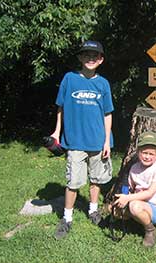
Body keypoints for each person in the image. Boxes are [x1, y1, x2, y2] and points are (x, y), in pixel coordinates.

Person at [51, 40, 114, 239]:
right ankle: (67, 218)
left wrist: (106, 141)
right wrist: (56, 132)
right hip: (75, 141)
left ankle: (93, 211)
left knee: (96, 180)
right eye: (86, 55)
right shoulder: (69, 79)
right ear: (80, 58)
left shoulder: (103, 83)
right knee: (74, 182)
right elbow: (60, 108)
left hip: (98, 141)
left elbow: (107, 114)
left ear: (101, 60)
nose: (90, 58)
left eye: (94, 56)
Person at [110, 131, 156, 247]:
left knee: (135, 206)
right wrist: (121, 198)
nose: (147, 156)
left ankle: (150, 230)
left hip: (154, 208)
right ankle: (132, 223)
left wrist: (128, 198)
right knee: (113, 210)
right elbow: (130, 187)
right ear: (138, 152)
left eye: (151, 154)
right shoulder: (134, 168)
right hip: (136, 202)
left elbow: (149, 193)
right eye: (144, 153)